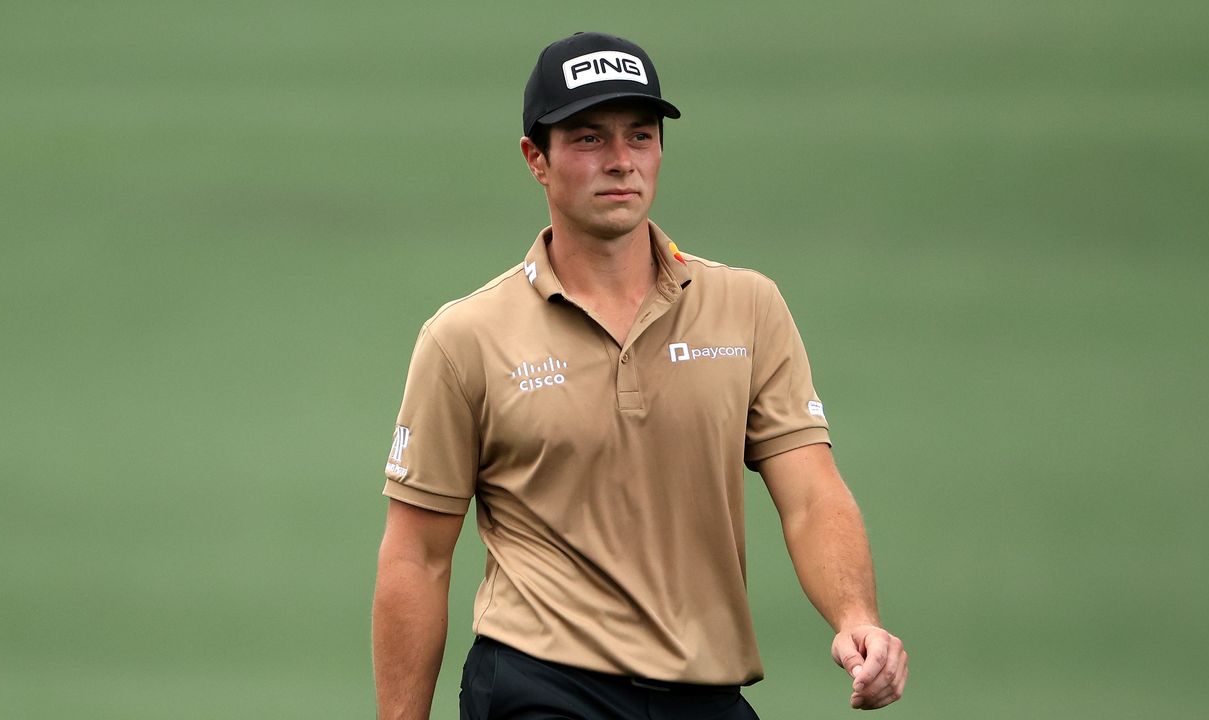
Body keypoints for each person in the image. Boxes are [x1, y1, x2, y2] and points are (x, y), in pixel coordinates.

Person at [372, 31, 908, 720]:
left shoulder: (747, 307)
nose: (621, 161)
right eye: (590, 138)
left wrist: (856, 616)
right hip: (541, 685)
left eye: (641, 136)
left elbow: (811, 494)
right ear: (537, 158)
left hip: (707, 693)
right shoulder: (465, 338)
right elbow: (417, 557)